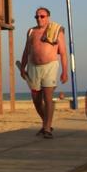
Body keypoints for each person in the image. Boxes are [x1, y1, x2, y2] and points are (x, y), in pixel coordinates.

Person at [19, 7, 68, 138]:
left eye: (42, 16)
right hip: (33, 67)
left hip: (50, 66)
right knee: (36, 100)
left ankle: (47, 128)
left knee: (47, 97)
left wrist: (65, 71)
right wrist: (23, 67)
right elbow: (26, 51)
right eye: (37, 16)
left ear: (48, 17)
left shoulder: (56, 30)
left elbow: (63, 53)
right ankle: (46, 123)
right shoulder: (31, 32)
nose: (39, 19)